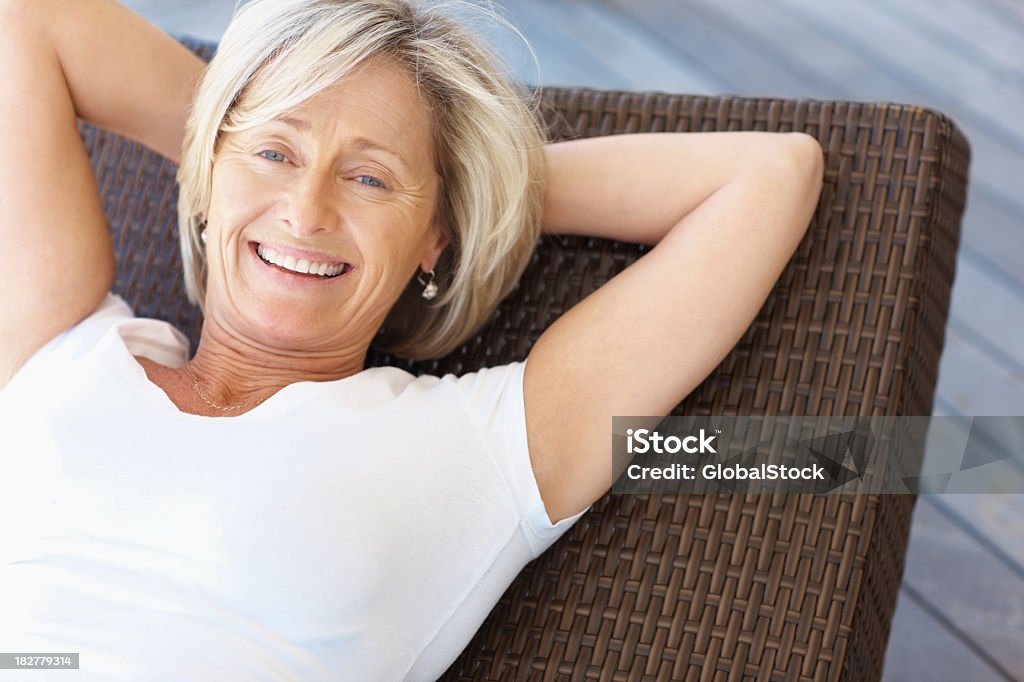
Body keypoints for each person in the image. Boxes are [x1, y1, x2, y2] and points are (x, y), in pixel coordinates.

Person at [0, 0, 823, 679]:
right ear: (208, 174)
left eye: (367, 179)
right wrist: (237, 139)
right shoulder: (56, 348)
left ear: (436, 239)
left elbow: (769, 175)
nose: (309, 210)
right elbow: (27, 23)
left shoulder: (474, 447)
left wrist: (471, 192)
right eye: (276, 154)